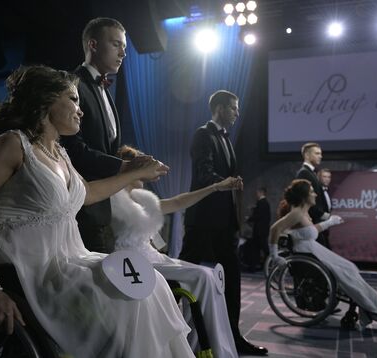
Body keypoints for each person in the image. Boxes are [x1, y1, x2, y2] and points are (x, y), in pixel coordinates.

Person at [0, 65, 195, 357]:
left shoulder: (59, 152)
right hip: (33, 272)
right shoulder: (11, 145)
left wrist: (135, 173)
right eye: (74, 99)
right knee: (130, 301)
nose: (81, 110)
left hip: (72, 259)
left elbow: (87, 194)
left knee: (153, 287)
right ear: (46, 99)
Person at [110, 145, 240, 358]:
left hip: (153, 256)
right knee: (203, 276)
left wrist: (215, 187)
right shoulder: (114, 197)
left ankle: (206, 345)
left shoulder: (143, 199)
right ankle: (202, 347)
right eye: (141, 164)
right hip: (132, 262)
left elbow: (179, 202)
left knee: (207, 277)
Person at [179, 90, 268, 356]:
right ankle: (173, 335)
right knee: (183, 277)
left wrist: (232, 185)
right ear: (218, 108)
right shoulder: (202, 134)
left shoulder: (227, 139)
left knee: (232, 280)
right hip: (203, 221)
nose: (237, 113)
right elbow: (203, 174)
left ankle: (233, 336)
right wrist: (224, 182)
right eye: (233, 108)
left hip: (224, 223)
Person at [61, 17, 143, 254]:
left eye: (124, 48)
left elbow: (106, 147)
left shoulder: (105, 91)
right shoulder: (72, 85)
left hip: (102, 208)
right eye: (116, 44)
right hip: (77, 205)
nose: (123, 53)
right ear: (93, 45)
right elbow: (72, 148)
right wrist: (126, 167)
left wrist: (133, 161)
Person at [269, 179, 377, 329]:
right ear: (304, 196)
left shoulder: (303, 212)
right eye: (311, 192)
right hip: (309, 256)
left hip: (314, 252)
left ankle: (369, 308)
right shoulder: (296, 213)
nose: (315, 194)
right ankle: (375, 309)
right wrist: (275, 256)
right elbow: (274, 230)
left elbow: (308, 232)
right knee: (347, 273)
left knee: (350, 269)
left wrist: (330, 222)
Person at [296, 143, 331, 248]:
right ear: (307, 155)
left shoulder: (310, 173)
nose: (320, 156)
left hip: (316, 224)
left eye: (320, 154)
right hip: (311, 224)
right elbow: (305, 201)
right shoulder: (304, 173)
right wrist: (325, 216)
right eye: (317, 153)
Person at [244, 187, 271, 270]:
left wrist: (248, 218)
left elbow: (259, 216)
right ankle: (262, 265)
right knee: (259, 248)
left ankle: (264, 264)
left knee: (261, 248)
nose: (256, 194)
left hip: (260, 231)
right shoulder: (264, 203)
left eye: (257, 193)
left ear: (261, 192)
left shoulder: (262, 202)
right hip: (262, 230)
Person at [317, 168, 333, 249]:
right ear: (319, 178)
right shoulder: (317, 192)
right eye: (324, 177)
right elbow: (316, 210)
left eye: (329, 177)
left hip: (326, 227)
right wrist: (329, 217)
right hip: (318, 226)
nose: (327, 179)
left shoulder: (327, 191)